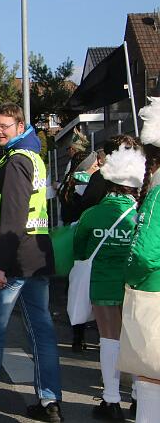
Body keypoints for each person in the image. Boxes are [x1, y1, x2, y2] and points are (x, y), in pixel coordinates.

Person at [0, 102, 63, 422]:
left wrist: (0, 264)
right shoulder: (33, 157)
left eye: (5, 126)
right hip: (36, 256)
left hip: (12, 258)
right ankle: (50, 402)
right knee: (42, 330)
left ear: (21, 127)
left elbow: (13, 215)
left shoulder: (17, 161)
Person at [72, 144, 144, 420]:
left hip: (102, 284)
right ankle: (139, 398)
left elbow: (79, 250)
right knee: (135, 340)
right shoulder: (141, 214)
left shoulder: (93, 214)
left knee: (109, 340)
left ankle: (111, 400)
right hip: (133, 284)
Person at [123, 97, 160, 422]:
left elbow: (145, 252)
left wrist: (130, 276)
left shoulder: (158, 194)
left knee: (150, 375)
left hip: (153, 292)